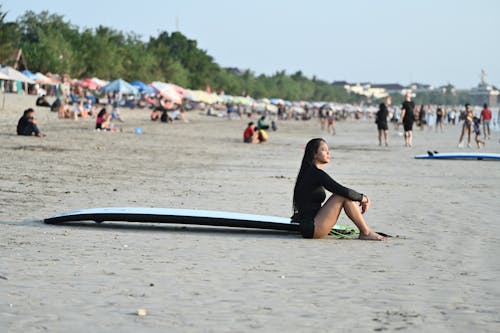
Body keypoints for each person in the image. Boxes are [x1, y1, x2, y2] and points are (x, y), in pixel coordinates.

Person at [292, 138, 385, 240]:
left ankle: (365, 232)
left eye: (328, 150)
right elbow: (341, 190)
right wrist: (363, 198)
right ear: (314, 154)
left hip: (310, 225)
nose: (328, 152)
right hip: (312, 228)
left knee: (342, 195)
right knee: (341, 195)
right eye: (323, 150)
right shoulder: (315, 173)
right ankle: (365, 232)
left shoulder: (309, 172)